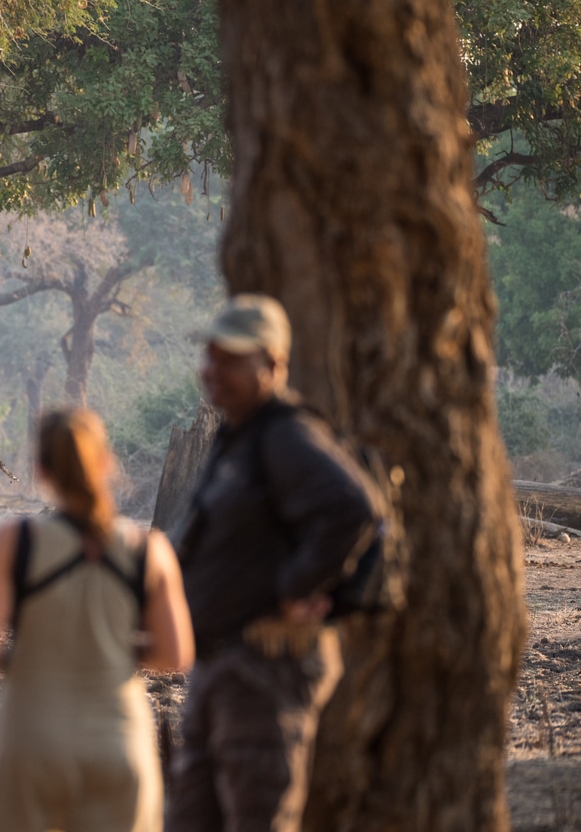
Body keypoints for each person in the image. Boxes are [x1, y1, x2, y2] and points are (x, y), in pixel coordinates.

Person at [166, 294, 382, 832]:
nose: (212, 371)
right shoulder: (238, 435)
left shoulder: (287, 433)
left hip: (262, 670)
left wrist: (294, 589)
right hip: (217, 665)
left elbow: (353, 508)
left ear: (274, 365)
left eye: (230, 360)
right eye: (210, 356)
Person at [0, 407, 194, 832]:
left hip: (34, 738)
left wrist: (45, 652)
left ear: (41, 471)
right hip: (120, 743)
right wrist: (110, 649)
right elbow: (176, 654)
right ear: (107, 463)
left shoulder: (15, 542)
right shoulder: (151, 550)